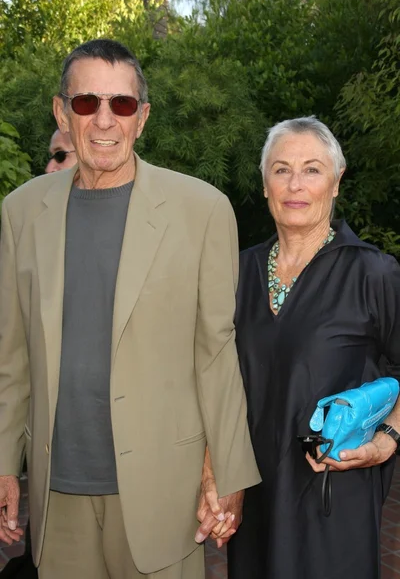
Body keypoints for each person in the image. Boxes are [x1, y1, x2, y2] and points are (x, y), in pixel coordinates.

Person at [0, 38, 260, 579]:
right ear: (60, 111)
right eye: (86, 102)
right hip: (58, 488)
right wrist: (5, 463)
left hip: (164, 489)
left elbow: (217, 351)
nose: (103, 121)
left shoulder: (202, 210)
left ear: (141, 117)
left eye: (120, 104)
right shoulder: (21, 213)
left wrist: (227, 469)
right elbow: (13, 356)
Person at [226, 116, 400, 579]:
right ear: (265, 185)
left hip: (331, 498)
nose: (295, 184)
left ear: (337, 181)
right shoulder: (236, 273)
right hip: (254, 496)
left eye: (312, 169)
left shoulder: (373, 274)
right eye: (281, 169)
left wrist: (388, 440)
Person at [0, 129, 78, 579]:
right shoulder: (29, 232)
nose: (50, 166)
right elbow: (14, 362)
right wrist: (8, 464)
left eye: (58, 156)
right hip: (54, 468)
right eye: (52, 156)